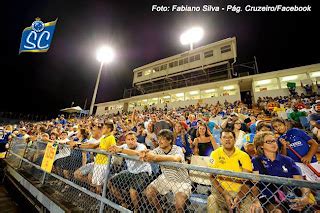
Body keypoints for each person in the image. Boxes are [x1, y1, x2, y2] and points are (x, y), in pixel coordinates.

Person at [252, 131, 312, 212]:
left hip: (290, 197)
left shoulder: (287, 160)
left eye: (274, 141)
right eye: (268, 142)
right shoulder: (257, 161)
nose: (273, 144)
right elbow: (255, 184)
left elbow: (301, 182)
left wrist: (305, 197)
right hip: (269, 199)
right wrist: (255, 201)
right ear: (261, 145)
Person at [207, 129, 262, 213]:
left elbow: (247, 181)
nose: (227, 139)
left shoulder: (244, 156)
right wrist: (225, 195)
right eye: (224, 137)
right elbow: (212, 177)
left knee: (250, 209)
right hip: (221, 192)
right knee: (212, 200)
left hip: (241, 193)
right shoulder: (215, 154)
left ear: (235, 139)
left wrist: (239, 197)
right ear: (221, 140)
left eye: (230, 137)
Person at [141, 129, 192, 213]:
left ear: (170, 140)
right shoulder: (158, 149)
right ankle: (159, 210)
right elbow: (149, 154)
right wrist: (146, 153)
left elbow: (176, 158)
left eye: (162, 139)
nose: (159, 141)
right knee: (149, 192)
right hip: (166, 177)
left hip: (181, 180)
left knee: (179, 205)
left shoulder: (177, 149)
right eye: (159, 138)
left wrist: (155, 158)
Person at [108, 131, 152, 212]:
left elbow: (137, 153)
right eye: (128, 139)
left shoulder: (141, 146)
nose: (131, 141)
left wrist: (121, 150)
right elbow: (114, 148)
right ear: (126, 140)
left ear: (136, 139)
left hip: (143, 172)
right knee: (111, 182)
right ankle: (124, 203)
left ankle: (137, 209)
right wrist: (113, 148)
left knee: (133, 191)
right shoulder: (124, 146)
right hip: (130, 172)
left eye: (132, 139)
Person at [91, 121, 116, 193]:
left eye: (104, 128)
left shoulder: (111, 138)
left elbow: (113, 150)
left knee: (100, 184)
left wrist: (102, 150)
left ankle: (101, 201)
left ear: (109, 129)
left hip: (104, 163)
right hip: (98, 161)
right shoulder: (103, 138)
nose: (102, 129)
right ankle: (98, 198)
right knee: (95, 183)